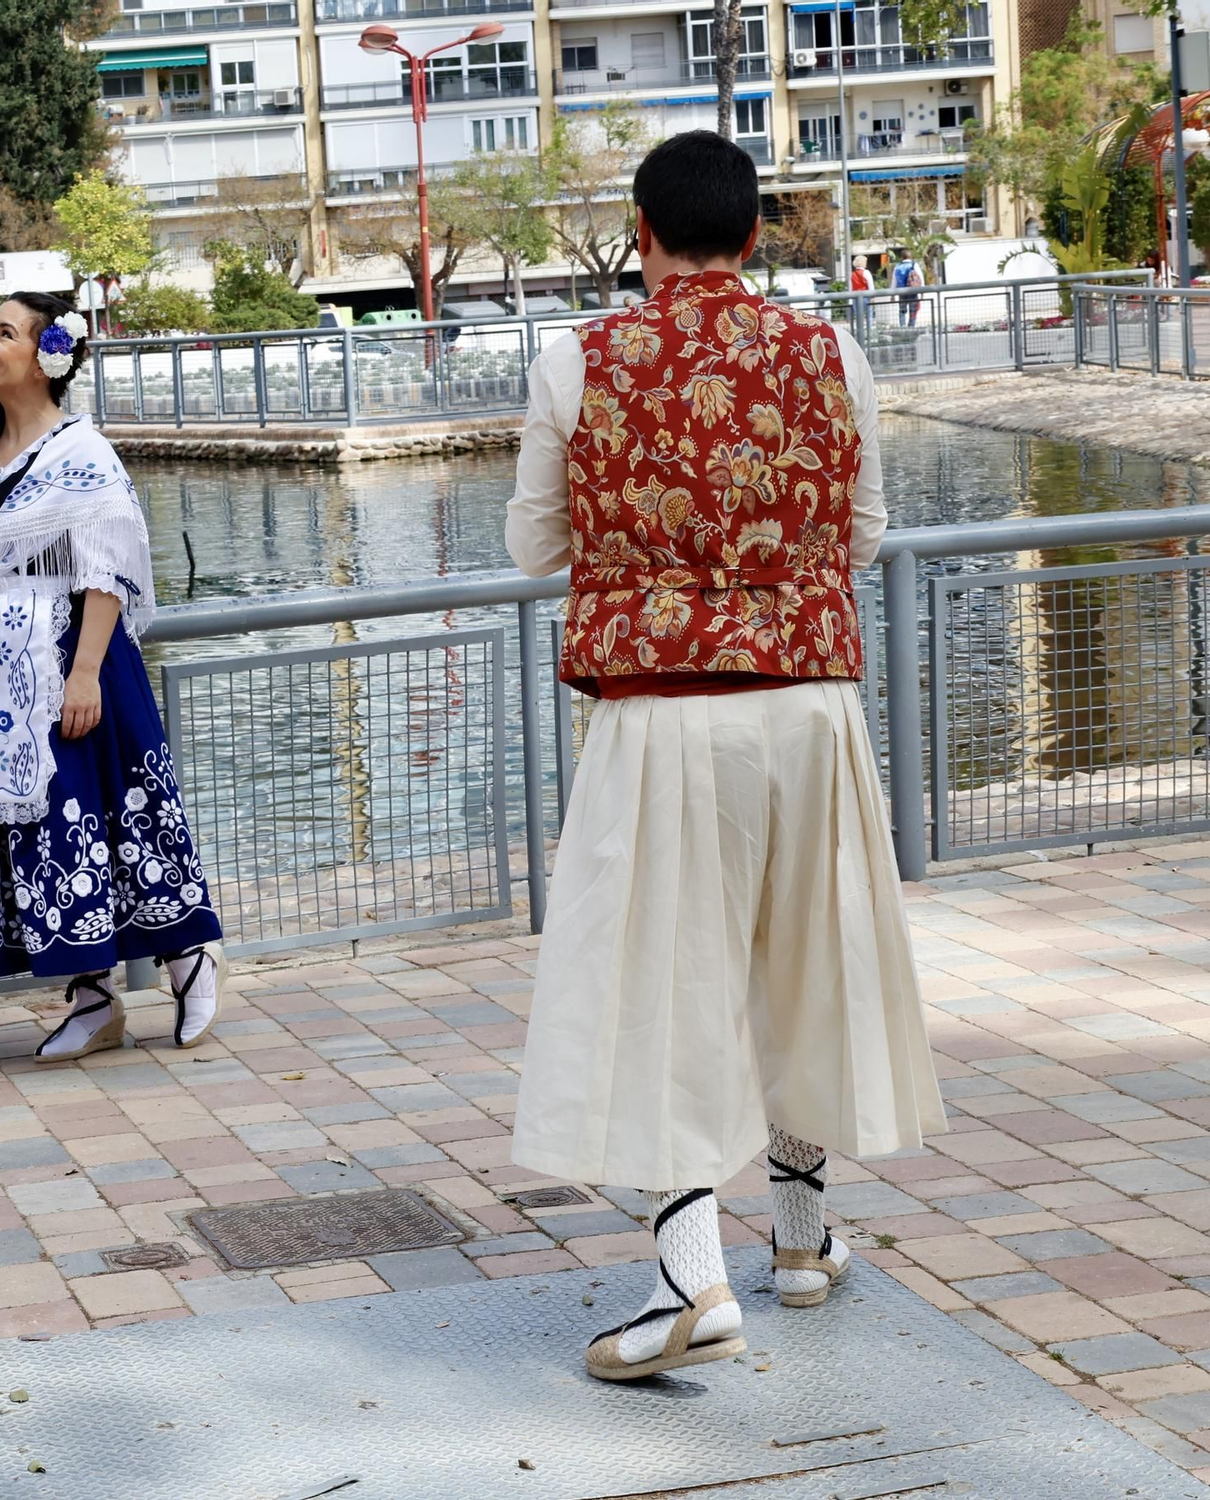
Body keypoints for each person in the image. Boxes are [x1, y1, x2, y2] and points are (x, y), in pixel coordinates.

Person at [504, 131, 944, 1383]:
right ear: (755, 238)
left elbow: (535, 545)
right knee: (800, 959)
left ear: (637, 234)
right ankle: (799, 1244)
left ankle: (689, 1278)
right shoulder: (830, 349)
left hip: (658, 711)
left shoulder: (576, 360)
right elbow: (858, 535)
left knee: (661, 981)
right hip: (806, 705)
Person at [0, 292, 222, 1061]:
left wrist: (88, 672)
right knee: (43, 832)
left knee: (110, 814)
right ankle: (95, 999)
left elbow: (107, 566)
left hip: (74, 656)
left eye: (5, 333)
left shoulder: (83, 453)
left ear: (46, 358)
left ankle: (190, 960)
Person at [894, 252, 923, 326]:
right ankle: (911, 327)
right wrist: (922, 291)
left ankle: (902, 328)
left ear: (902, 257)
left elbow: (894, 280)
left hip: (901, 292)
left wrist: (892, 295)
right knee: (913, 311)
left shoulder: (897, 266)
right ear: (911, 257)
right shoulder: (914, 265)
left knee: (902, 311)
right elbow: (920, 278)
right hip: (912, 291)